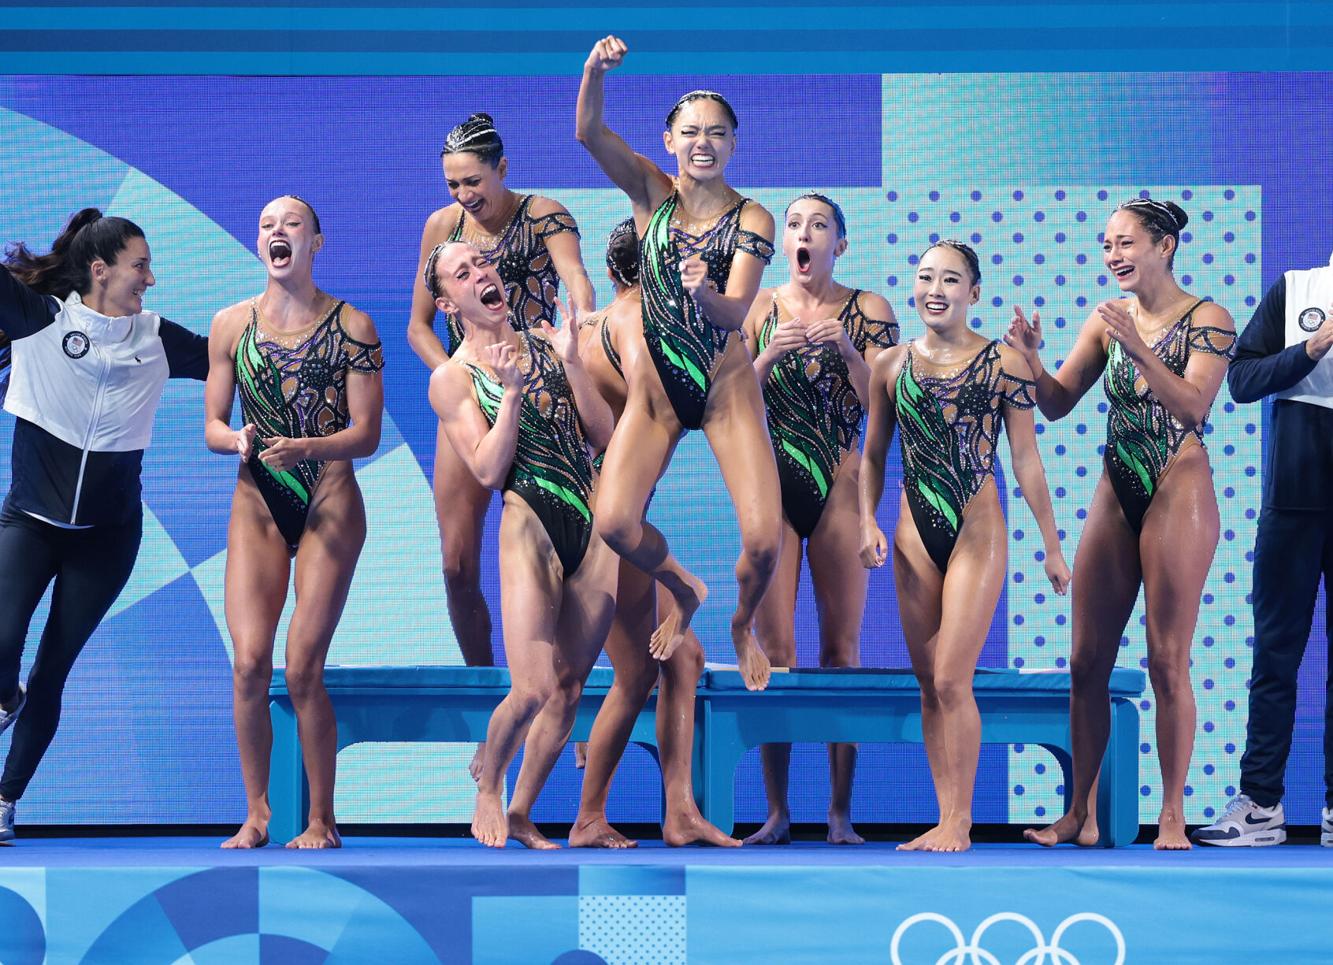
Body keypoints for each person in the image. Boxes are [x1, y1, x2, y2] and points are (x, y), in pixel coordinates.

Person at [1007, 198, 1236, 850]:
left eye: (1124, 242)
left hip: (1177, 485)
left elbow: (1192, 405)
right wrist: (1030, 359)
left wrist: (1137, 345)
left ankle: (1169, 813)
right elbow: (1053, 404)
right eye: (1106, 243)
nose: (1111, 254)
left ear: (1163, 245)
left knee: (1166, 660)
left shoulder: (1206, 317)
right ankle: (1078, 811)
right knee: (1085, 661)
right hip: (1117, 484)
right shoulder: (1104, 320)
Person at [576, 35, 782, 690]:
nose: (703, 142)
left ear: (732, 145)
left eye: (717, 133)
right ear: (668, 141)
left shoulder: (752, 215)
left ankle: (740, 621)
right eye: (690, 131)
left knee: (762, 544)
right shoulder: (649, 194)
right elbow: (587, 132)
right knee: (611, 522)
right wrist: (592, 71)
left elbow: (735, 313)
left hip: (724, 389)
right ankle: (682, 585)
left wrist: (703, 291)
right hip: (657, 392)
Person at [0, 209, 208, 843]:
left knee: (53, 671)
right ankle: (4, 698)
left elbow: (235, 357)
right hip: (30, 522)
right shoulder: (38, 319)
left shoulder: (157, 337)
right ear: (100, 270)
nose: (151, 276)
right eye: (140, 264)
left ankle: (5, 801)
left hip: (109, 537)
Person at [860, 240, 1070, 853]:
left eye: (951, 280)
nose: (936, 289)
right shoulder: (890, 366)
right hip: (910, 534)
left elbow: (1027, 460)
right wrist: (866, 521)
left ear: (973, 293)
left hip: (978, 531)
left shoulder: (1005, 363)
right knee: (930, 684)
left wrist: (1053, 547)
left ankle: (961, 821)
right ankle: (945, 813)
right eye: (926, 277)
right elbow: (873, 456)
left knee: (954, 677)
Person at [408, 113, 594, 779]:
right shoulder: (441, 229)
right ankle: (495, 692)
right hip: (472, 390)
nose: (463, 195)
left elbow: (575, 280)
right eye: (453, 184)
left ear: (503, 169)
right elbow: (417, 325)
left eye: (473, 181)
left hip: (543, 386)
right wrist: (457, 372)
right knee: (457, 564)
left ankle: (568, 704)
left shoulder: (544, 215)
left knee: (581, 552)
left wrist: (579, 326)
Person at [204, 196, 384, 849]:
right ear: (259, 243)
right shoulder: (229, 325)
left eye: (292, 226)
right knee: (249, 664)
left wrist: (307, 448)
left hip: (328, 496)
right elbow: (211, 425)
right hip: (257, 498)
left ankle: (322, 819)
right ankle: (257, 812)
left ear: (316, 242)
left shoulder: (353, 325)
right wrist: (236, 440)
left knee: (302, 665)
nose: (277, 234)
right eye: (266, 226)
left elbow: (365, 435)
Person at [427, 240, 617, 849]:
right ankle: (489, 790)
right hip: (528, 522)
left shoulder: (546, 344)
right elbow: (485, 469)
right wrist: (509, 394)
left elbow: (603, 435)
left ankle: (522, 810)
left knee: (568, 688)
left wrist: (574, 364)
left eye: (483, 264)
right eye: (464, 272)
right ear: (447, 301)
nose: (482, 275)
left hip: (589, 524)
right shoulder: (452, 377)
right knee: (532, 686)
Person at [570, 219, 738, 848]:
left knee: (680, 656)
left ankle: (679, 809)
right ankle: (590, 817)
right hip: (607, 526)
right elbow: (641, 408)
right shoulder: (641, 327)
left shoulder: (586, 328)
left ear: (612, 271)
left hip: (579, 514)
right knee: (638, 673)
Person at [742, 194, 898, 846]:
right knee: (776, 654)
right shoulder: (757, 309)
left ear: (840, 243)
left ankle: (839, 812)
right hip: (773, 492)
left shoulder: (869, 311)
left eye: (819, 225)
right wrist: (767, 356)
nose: (805, 234)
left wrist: (852, 355)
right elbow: (729, 406)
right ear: (786, 244)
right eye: (796, 225)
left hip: (839, 489)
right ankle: (777, 811)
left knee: (841, 652)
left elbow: (885, 406)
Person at [1193, 250, 1333, 847]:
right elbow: (1242, 381)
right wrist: (1312, 346)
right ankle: (1262, 806)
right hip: (1295, 503)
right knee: (1275, 656)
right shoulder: (1299, 288)